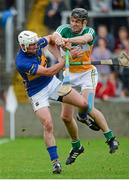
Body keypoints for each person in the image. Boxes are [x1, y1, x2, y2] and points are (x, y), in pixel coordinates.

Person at [16, 30, 91, 174]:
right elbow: (49, 71)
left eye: (34, 43)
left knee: (84, 104)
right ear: (23, 46)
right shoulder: (22, 62)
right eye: (31, 45)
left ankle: (78, 140)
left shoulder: (37, 43)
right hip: (37, 92)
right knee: (48, 124)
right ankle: (55, 162)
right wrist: (67, 59)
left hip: (52, 84)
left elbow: (51, 37)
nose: (35, 46)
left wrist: (60, 42)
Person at [53, 8, 119, 165]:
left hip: (87, 74)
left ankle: (110, 138)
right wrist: (58, 40)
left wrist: (68, 42)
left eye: (77, 21)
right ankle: (77, 147)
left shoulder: (90, 31)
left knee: (87, 106)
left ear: (84, 22)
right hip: (68, 74)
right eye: (72, 20)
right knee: (65, 117)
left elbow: (85, 39)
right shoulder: (64, 29)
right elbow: (55, 35)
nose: (74, 24)